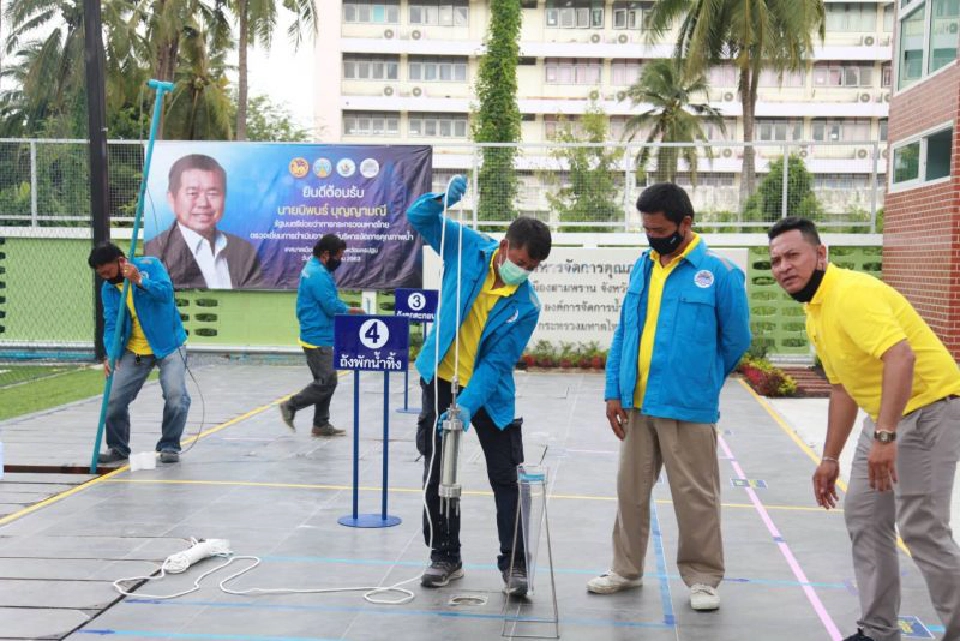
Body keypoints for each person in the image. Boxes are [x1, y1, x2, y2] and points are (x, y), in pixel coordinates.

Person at [768, 216, 960, 641]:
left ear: (821, 254)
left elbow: (901, 357)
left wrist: (885, 437)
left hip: (930, 407)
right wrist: (830, 458)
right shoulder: (815, 312)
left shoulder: (852, 293)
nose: (783, 267)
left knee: (922, 528)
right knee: (866, 517)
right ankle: (878, 631)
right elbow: (843, 388)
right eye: (776, 260)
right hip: (888, 414)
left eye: (792, 255)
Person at [589, 182, 751, 611]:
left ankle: (702, 578)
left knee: (695, 494)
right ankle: (625, 569)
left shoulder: (719, 273)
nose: (653, 237)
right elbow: (625, 331)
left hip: (688, 405)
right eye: (646, 229)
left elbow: (736, 340)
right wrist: (614, 392)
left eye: (660, 229)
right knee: (631, 491)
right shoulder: (642, 267)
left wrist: (701, 379)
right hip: (638, 402)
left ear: (685, 224)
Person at [407, 175, 552, 596]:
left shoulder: (525, 306)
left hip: (487, 396)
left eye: (530, 268)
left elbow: (496, 364)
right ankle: (444, 556)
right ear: (505, 245)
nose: (521, 271)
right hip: (440, 377)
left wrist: (466, 408)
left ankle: (515, 566)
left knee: (506, 477)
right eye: (519, 261)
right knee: (437, 469)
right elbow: (419, 216)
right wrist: (441, 198)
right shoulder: (467, 246)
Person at [88, 243, 191, 464]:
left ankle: (170, 445)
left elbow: (166, 294)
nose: (105, 277)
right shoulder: (108, 289)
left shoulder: (150, 266)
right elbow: (111, 323)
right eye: (101, 274)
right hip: (135, 350)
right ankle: (117, 447)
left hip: (168, 344)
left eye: (108, 271)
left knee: (176, 395)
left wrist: (140, 281)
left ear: (121, 261)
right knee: (113, 399)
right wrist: (111, 354)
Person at [280, 234, 362, 437]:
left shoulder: (317, 270)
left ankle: (321, 424)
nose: (340, 260)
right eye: (339, 255)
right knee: (327, 381)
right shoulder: (316, 274)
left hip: (320, 332)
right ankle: (291, 405)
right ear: (327, 254)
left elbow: (329, 299)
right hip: (316, 335)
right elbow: (331, 306)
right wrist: (352, 310)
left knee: (324, 380)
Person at [145, 154, 262, 289]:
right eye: (192, 193)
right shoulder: (155, 252)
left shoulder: (244, 250)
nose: (203, 203)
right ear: (172, 199)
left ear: (224, 198)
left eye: (212, 193)